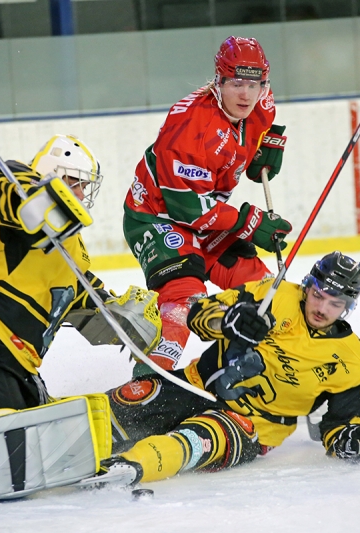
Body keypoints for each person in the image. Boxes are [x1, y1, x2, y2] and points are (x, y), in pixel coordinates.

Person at [81, 252, 360, 488]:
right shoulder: (274, 295)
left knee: (191, 442)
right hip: (195, 385)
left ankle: (125, 469)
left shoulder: (356, 362)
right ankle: (59, 431)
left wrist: (354, 438)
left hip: (251, 425)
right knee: (127, 404)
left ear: (349, 306)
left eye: (335, 303)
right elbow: (199, 313)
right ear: (308, 286)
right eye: (318, 295)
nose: (322, 308)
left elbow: (338, 428)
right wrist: (228, 320)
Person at [0, 134, 160, 424]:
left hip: (11, 366)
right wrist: (40, 199)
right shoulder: (16, 184)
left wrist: (127, 317)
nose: (80, 194)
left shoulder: (71, 250)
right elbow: (5, 189)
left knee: (52, 432)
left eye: (84, 186)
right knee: (14, 435)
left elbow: (93, 303)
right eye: (74, 182)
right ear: (51, 174)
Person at [124, 36, 294, 375]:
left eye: (255, 84)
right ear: (218, 82)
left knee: (263, 292)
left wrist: (265, 145)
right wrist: (251, 222)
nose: (246, 94)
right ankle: (146, 385)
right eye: (236, 83)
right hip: (159, 218)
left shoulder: (261, 101)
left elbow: (257, 129)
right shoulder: (188, 128)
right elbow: (188, 209)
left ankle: (263, 369)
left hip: (211, 217)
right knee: (185, 300)